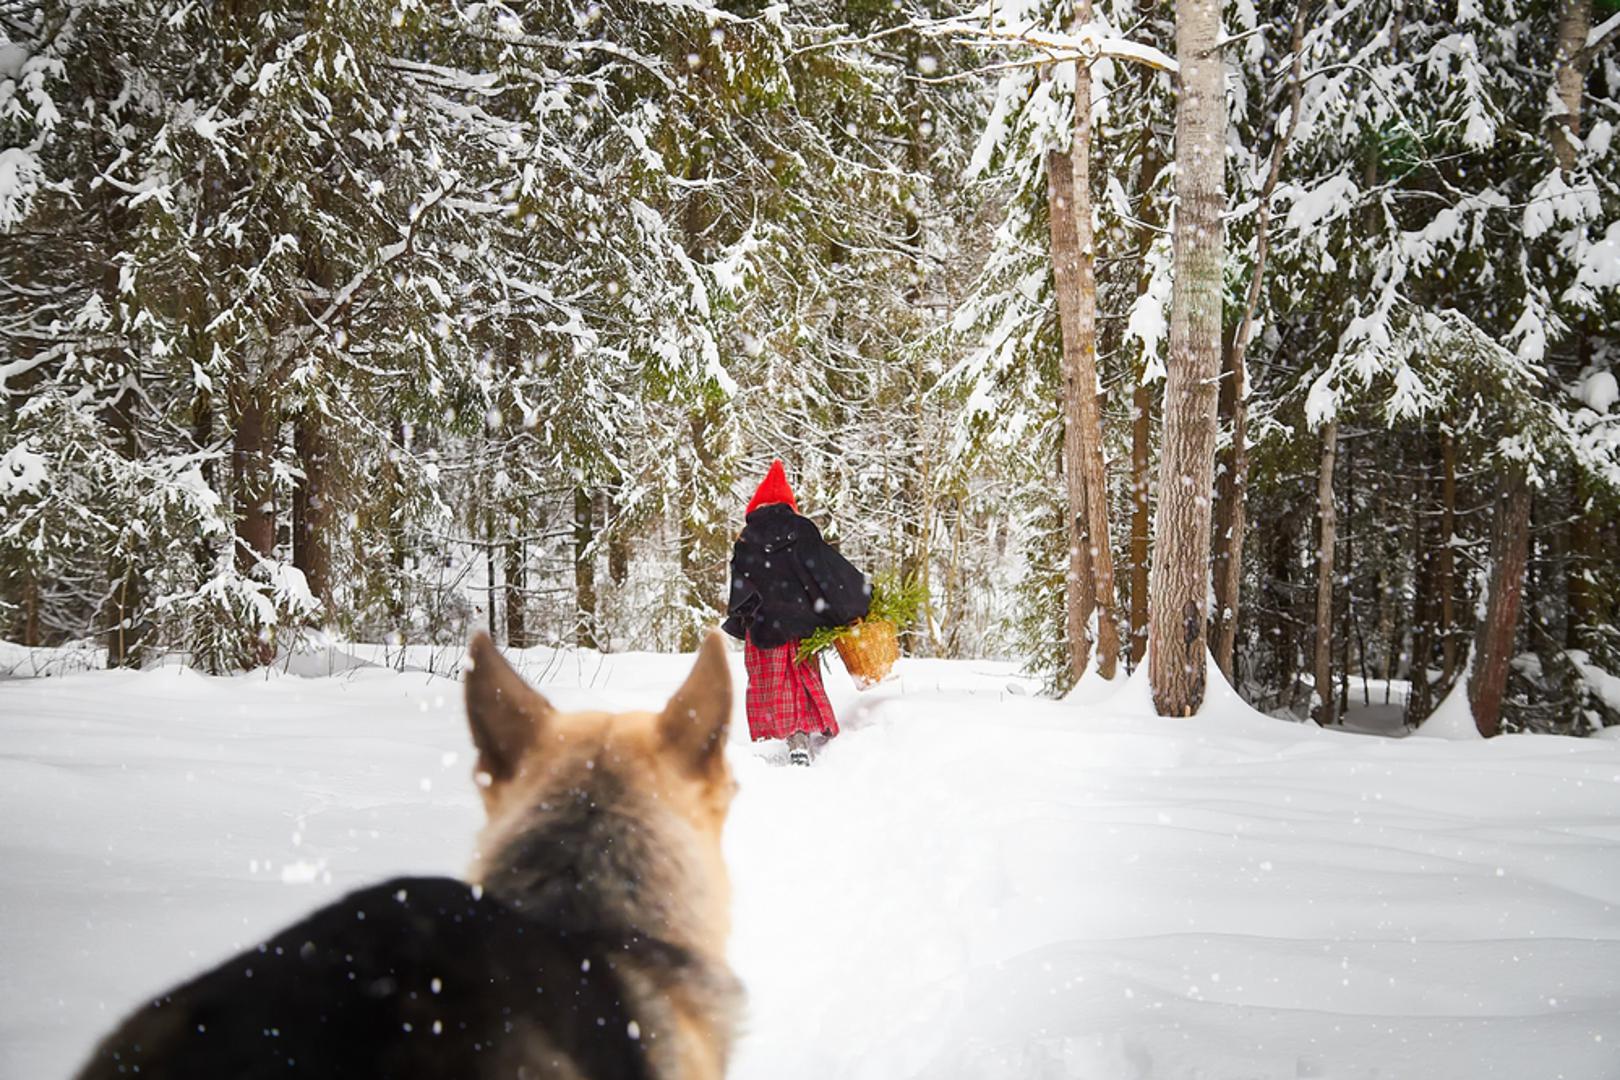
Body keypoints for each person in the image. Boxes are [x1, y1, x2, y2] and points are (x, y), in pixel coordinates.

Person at [722, 460, 870, 766]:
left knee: (777, 684)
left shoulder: (746, 538)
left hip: (765, 627)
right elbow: (825, 571)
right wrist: (855, 599)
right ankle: (807, 733)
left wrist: (745, 619)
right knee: (801, 678)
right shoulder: (801, 529)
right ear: (789, 503)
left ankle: (795, 738)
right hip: (801, 623)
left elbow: (741, 589)